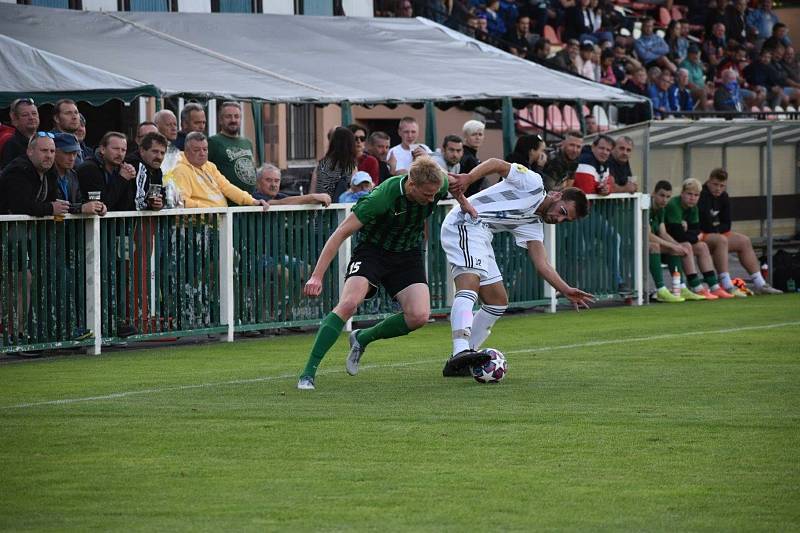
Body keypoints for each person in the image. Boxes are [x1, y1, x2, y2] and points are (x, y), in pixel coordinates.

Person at [297, 157, 475, 390]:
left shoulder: (438, 183)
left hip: (407, 253)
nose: (432, 199)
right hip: (373, 251)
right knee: (349, 303)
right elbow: (340, 233)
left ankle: (362, 338)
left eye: (435, 194)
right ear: (411, 185)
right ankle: (307, 373)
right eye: (427, 195)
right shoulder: (380, 199)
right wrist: (316, 276)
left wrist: (463, 202)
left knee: (419, 316)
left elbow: (453, 184)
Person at [440, 151, 593, 376]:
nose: (558, 219)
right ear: (556, 194)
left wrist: (566, 289)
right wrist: (469, 178)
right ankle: (460, 351)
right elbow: (496, 163)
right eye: (562, 212)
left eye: (564, 220)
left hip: (481, 235)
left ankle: (464, 357)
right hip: (464, 222)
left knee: (497, 302)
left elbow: (542, 264)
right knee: (469, 286)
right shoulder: (532, 183)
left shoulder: (533, 225)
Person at [698, 168, 782, 295]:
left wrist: (716, 230)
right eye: (715, 184)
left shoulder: (724, 196)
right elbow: (703, 223)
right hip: (699, 234)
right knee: (721, 240)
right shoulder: (702, 195)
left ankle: (760, 284)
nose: (718, 189)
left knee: (744, 241)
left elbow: (727, 224)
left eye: (722, 186)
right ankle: (726, 285)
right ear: (708, 181)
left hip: (712, 233)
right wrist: (716, 231)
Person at [664, 178, 733, 300]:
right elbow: (679, 234)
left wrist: (691, 233)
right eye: (689, 194)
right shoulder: (674, 205)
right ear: (682, 193)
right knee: (687, 245)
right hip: (667, 241)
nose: (692, 198)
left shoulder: (694, 208)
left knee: (702, 246)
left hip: (678, 240)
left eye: (696, 195)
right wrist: (693, 234)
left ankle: (714, 286)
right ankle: (696, 287)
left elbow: (696, 229)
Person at [171, 132, 269, 209]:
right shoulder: (180, 170)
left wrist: (252, 201)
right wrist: (208, 210)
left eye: (205, 149)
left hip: (218, 221)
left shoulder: (210, 166)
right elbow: (181, 201)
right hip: (197, 227)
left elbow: (227, 187)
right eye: (197, 150)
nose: (202, 153)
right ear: (186, 152)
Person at [647, 180, 688, 302]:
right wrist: (672, 246)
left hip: (647, 245)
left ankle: (681, 287)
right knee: (654, 246)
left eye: (668, 197)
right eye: (662, 195)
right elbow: (647, 235)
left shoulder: (662, 209)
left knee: (682, 246)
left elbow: (663, 233)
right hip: (631, 243)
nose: (665, 200)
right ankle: (661, 290)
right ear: (654, 193)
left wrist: (677, 246)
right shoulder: (646, 206)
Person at [47, 133, 106, 216]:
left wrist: (98, 206)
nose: (72, 158)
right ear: (55, 152)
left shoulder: (73, 175)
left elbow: (78, 201)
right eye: (67, 153)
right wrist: (80, 208)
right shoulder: (46, 174)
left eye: (75, 153)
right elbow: (55, 205)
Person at [76, 132, 137, 211]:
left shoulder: (122, 170)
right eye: (116, 149)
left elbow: (126, 205)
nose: (120, 154)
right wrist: (122, 179)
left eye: (123, 150)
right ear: (103, 149)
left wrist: (127, 179)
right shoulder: (89, 168)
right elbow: (102, 204)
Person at [208, 101, 258, 194]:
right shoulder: (213, 142)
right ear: (220, 120)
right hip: (227, 202)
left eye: (236, 116)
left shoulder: (247, 143)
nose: (233, 120)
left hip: (250, 200)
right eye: (228, 116)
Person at [310, 126, 358, 202]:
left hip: (320, 210)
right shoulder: (350, 167)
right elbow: (354, 192)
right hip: (340, 211)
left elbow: (312, 193)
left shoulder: (320, 165)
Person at [253, 163, 331, 206]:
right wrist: (312, 197)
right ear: (258, 182)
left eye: (277, 181)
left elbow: (295, 201)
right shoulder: (254, 196)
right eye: (269, 180)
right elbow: (279, 203)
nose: (273, 184)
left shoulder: (280, 196)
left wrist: (319, 200)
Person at [1, 98, 40, 169]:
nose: (31, 117)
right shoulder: (11, 144)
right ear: (15, 120)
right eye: (25, 115)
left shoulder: (44, 140)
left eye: (34, 113)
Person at [50, 99, 83, 165]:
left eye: (76, 113)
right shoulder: (49, 142)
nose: (74, 117)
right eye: (68, 113)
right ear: (56, 118)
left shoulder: (80, 143)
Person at [460, 119, 486, 196]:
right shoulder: (465, 157)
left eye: (480, 134)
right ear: (465, 136)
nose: (477, 137)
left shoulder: (471, 156)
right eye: (474, 134)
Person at [154, 110, 180, 176]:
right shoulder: (152, 151)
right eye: (169, 125)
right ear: (157, 126)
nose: (174, 128)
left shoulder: (177, 151)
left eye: (175, 124)